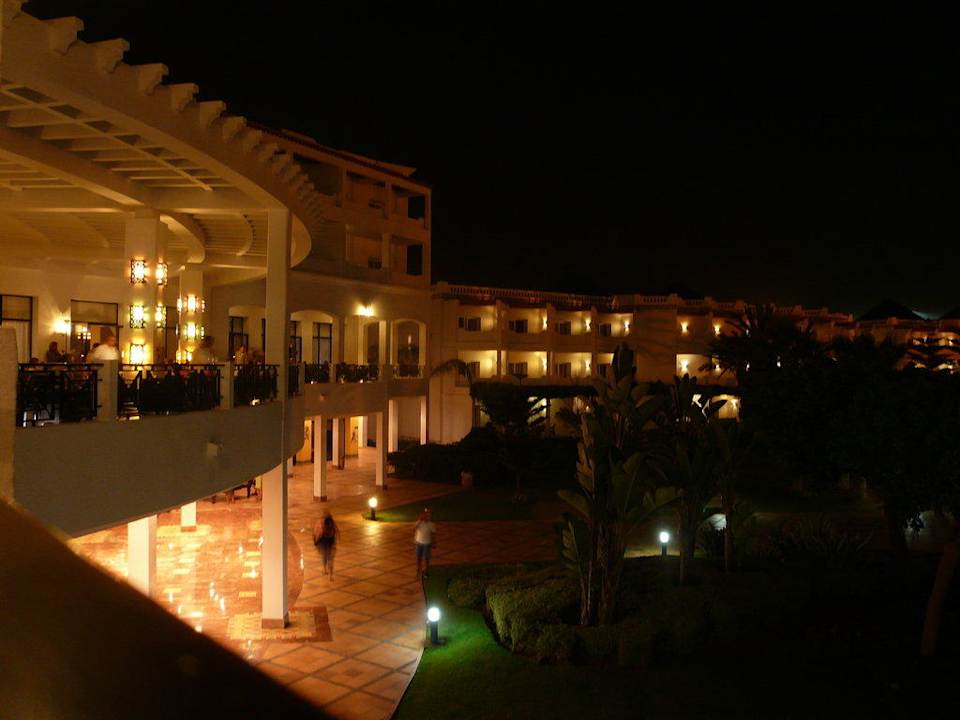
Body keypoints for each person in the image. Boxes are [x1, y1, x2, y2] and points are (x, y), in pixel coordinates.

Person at [313, 512, 340, 580]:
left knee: (326, 557)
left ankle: (326, 571)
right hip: (326, 542)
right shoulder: (331, 524)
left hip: (325, 542)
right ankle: (329, 573)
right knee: (328, 558)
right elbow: (337, 532)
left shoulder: (321, 524)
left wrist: (315, 542)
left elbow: (316, 533)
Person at [414, 508, 436, 580]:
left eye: (428, 515)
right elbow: (414, 528)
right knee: (418, 559)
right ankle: (418, 572)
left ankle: (426, 572)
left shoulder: (431, 524)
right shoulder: (420, 522)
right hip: (418, 543)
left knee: (426, 559)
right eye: (426, 514)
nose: (427, 516)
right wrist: (420, 521)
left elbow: (433, 534)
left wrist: (434, 542)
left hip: (427, 544)